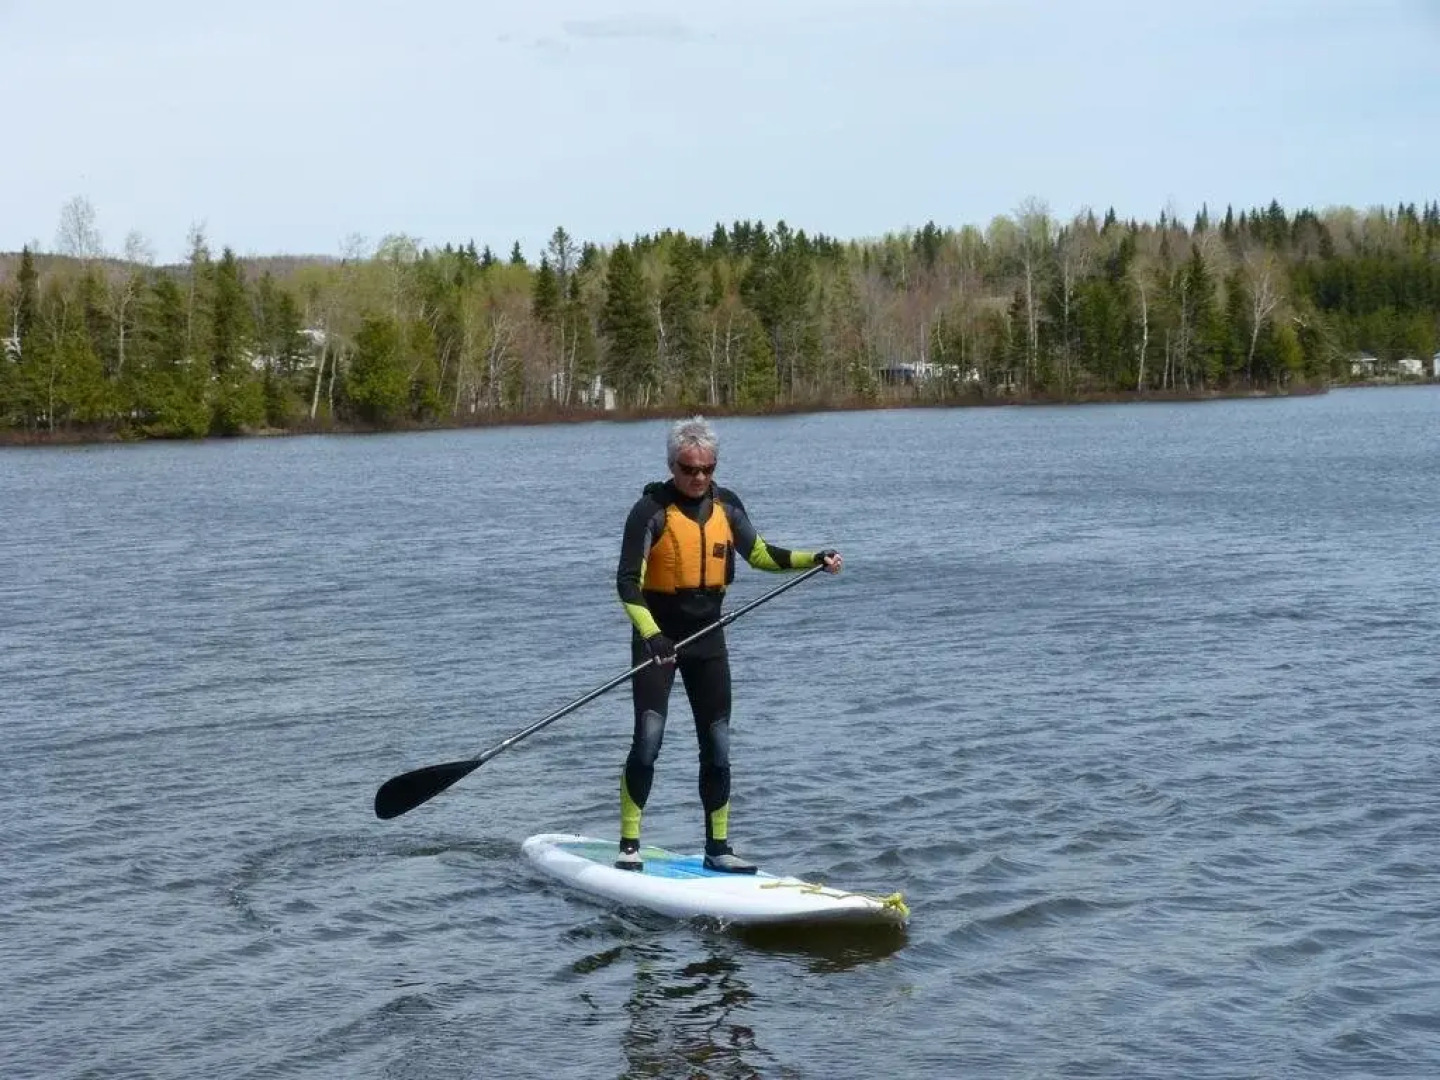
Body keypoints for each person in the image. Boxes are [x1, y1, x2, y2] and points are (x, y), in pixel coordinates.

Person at [613, 416, 841, 873]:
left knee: (717, 745)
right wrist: (652, 635)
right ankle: (630, 843)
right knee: (648, 741)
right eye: (688, 468)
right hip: (657, 638)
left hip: (708, 640)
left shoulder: (727, 507)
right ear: (672, 465)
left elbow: (760, 554)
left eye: (707, 469)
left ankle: (717, 849)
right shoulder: (650, 512)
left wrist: (810, 558)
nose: (698, 478)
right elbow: (626, 584)